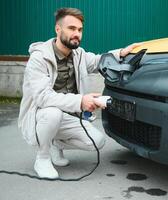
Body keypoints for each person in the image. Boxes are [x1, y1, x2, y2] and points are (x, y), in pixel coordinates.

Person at [18, 7, 140, 179]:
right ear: (58, 29)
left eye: (80, 30)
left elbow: (98, 61)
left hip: (68, 116)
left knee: (97, 142)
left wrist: (120, 53)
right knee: (52, 114)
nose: (77, 34)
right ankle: (42, 158)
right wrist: (81, 100)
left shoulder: (78, 54)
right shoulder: (39, 58)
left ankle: (53, 144)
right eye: (72, 28)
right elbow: (43, 97)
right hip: (41, 114)